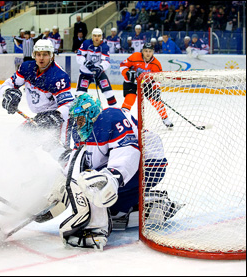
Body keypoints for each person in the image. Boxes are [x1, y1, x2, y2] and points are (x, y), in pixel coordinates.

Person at [52, 93, 183, 249]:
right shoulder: (82, 131)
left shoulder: (109, 117)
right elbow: (79, 161)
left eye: (80, 119)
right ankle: (147, 203)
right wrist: (62, 179)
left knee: (96, 187)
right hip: (131, 166)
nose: (77, 124)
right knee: (110, 208)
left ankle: (95, 230)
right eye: (75, 120)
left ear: (90, 113)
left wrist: (113, 176)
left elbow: (129, 151)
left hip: (150, 163)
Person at [0, 39, 74, 149]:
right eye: (38, 54)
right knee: (17, 140)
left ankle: (68, 165)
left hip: (58, 119)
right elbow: (7, 85)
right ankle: (29, 165)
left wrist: (55, 117)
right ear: (34, 55)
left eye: (45, 54)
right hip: (41, 116)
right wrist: (8, 93)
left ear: (52, 56)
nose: (41, 58)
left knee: (56, 150)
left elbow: (67, 106)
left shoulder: (58, 76)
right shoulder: (27, 68)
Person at [120, 43, 174, 128]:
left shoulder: (156, 64)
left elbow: (157, 79)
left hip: (146, 83)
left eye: (150, 51)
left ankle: (165, 119)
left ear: (153, 52)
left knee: (155, 100)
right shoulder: (135, 56)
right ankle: (122, 118)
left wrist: (156, 89)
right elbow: (123, 66)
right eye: (146, 51)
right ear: (142, 51)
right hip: (131, 82)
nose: (148, 53)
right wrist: (127, 72)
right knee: (130, 98)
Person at [75, 28, 118, 107]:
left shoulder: (104, 47)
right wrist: (86, 63)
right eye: (95, 36)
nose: (97, 38)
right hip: (85, 73)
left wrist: (100, 67)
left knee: (109, 93)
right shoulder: (86, 43)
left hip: (99, 73)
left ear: (101, 36)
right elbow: (79, 56)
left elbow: (106, 61)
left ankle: (115, 111)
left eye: (98, 36)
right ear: (92, 36)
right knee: (79, 95)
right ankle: (78, 114)